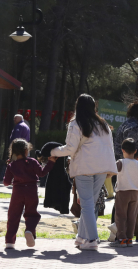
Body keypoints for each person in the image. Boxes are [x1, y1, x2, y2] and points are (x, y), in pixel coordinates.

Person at [51, 94, 118, 251]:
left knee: (87, 204)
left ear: (78, 106)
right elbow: (110, 147)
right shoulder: (103, 124)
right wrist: (110, 168)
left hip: (84, 168)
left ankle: (92, 239)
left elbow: (70, 148)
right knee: (90, 203)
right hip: (102, 168)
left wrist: (52, 151)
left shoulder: (76, 123)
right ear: (94, 106)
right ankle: (82, 237)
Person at [2, 139, 56, 250]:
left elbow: (6, 182)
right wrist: (51, 162)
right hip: (31, 191)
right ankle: (29, 230)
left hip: (17, 192)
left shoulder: (12, 165)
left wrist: (10, 172)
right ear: (26, 150)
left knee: (13, 216)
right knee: (32, 214)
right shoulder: (32, 161)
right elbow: (42, 173)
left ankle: (9, 242)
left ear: (13, 152)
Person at [110, 138, 138, 248]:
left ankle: (121, 239)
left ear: (122, 150)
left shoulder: (120, 162)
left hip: (122, 192)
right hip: (135, 193)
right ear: (135, 151)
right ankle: (129, 239)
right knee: (132, 217)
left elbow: (111, 172)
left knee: (120, 216)